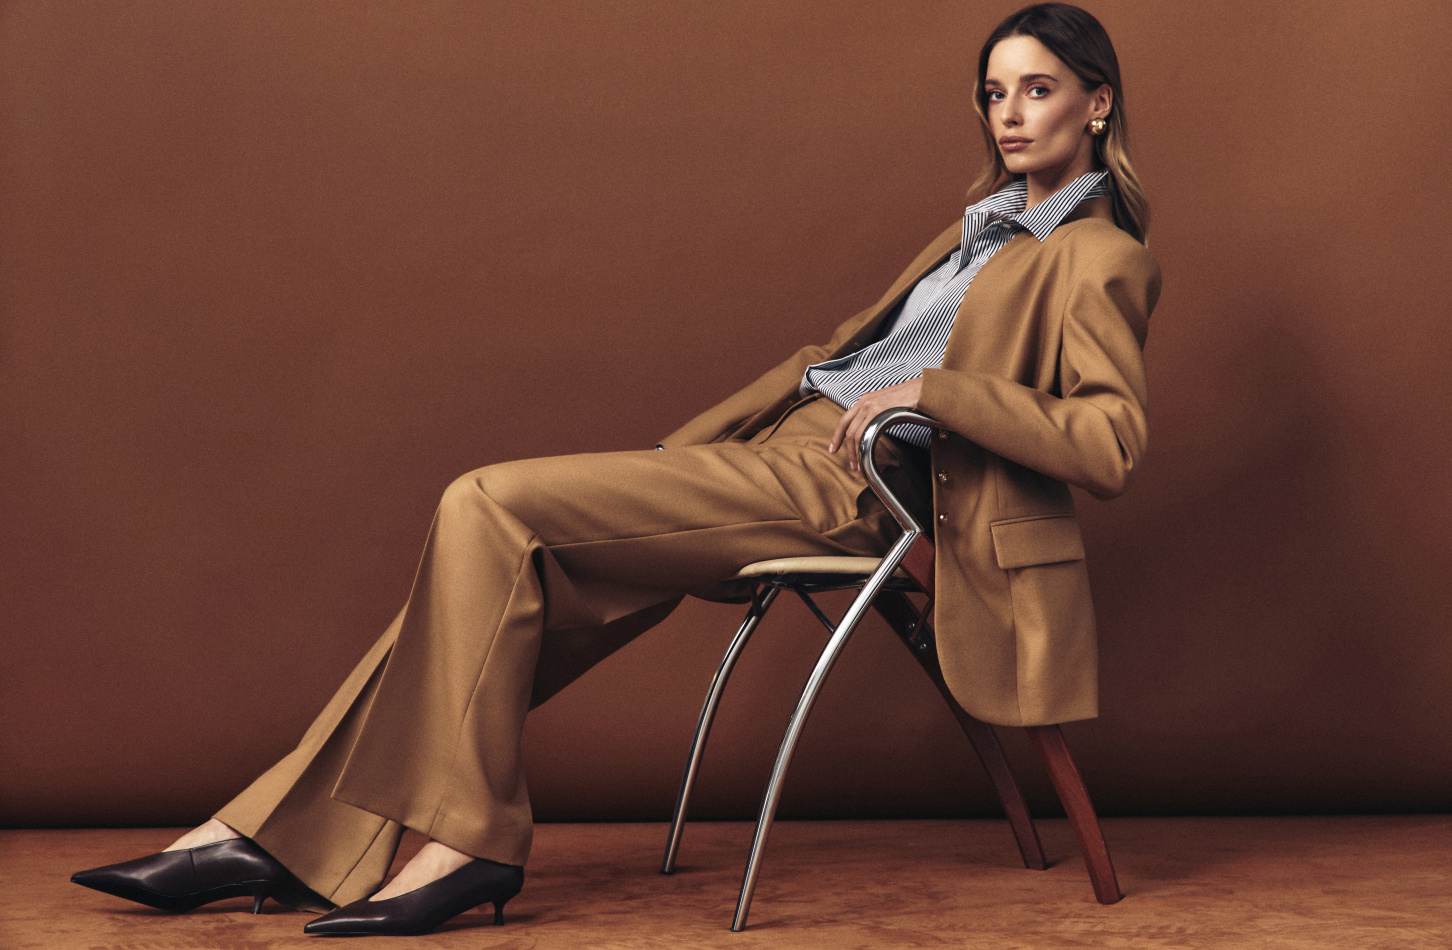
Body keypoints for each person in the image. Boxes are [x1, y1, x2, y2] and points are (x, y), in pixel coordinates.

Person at [72, 2, 1160, 937]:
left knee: (485, 501)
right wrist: (705, 445)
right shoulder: (976, 230)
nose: (1010, 113)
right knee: (500, 583)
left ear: (1097, 104)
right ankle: (269, 833)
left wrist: (937, 392)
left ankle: (460, 841)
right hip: (769, 454)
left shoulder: (1098, 255)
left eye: (1038, 89)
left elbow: (1109, 441)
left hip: (854, 487)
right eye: (994, 93)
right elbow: (837, 356)